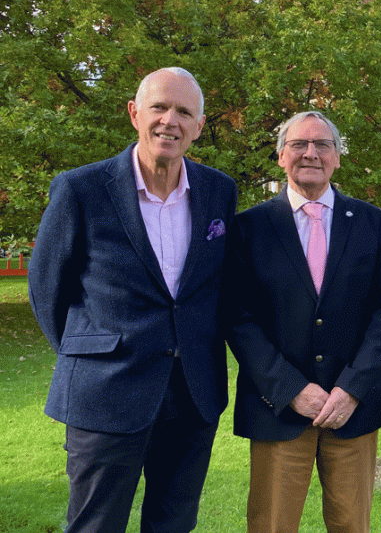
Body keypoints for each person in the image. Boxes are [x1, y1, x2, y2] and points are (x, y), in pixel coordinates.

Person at [28, 67, 237, 533]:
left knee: (173, 524)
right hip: (105, 392)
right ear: (134, 113)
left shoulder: (219, 191)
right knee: (95, 525)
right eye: (159, 107)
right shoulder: (80, 189)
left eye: (184, 112)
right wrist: (90, 353)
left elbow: (215, 287)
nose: (170, 121)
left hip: (193, 394)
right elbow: (46, 289)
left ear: (199, 126)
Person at [224, 111, 381, 533]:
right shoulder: (250, 227)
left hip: (353, 409)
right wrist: (291, 389)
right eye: (299, 144)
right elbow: (237, 315)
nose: (311, 153)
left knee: (351, 525)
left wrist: (351, 389)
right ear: (281, 156)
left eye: (323, 145)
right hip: (278, 410)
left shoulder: (372, 223)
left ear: (337, 157)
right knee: (271, 525)